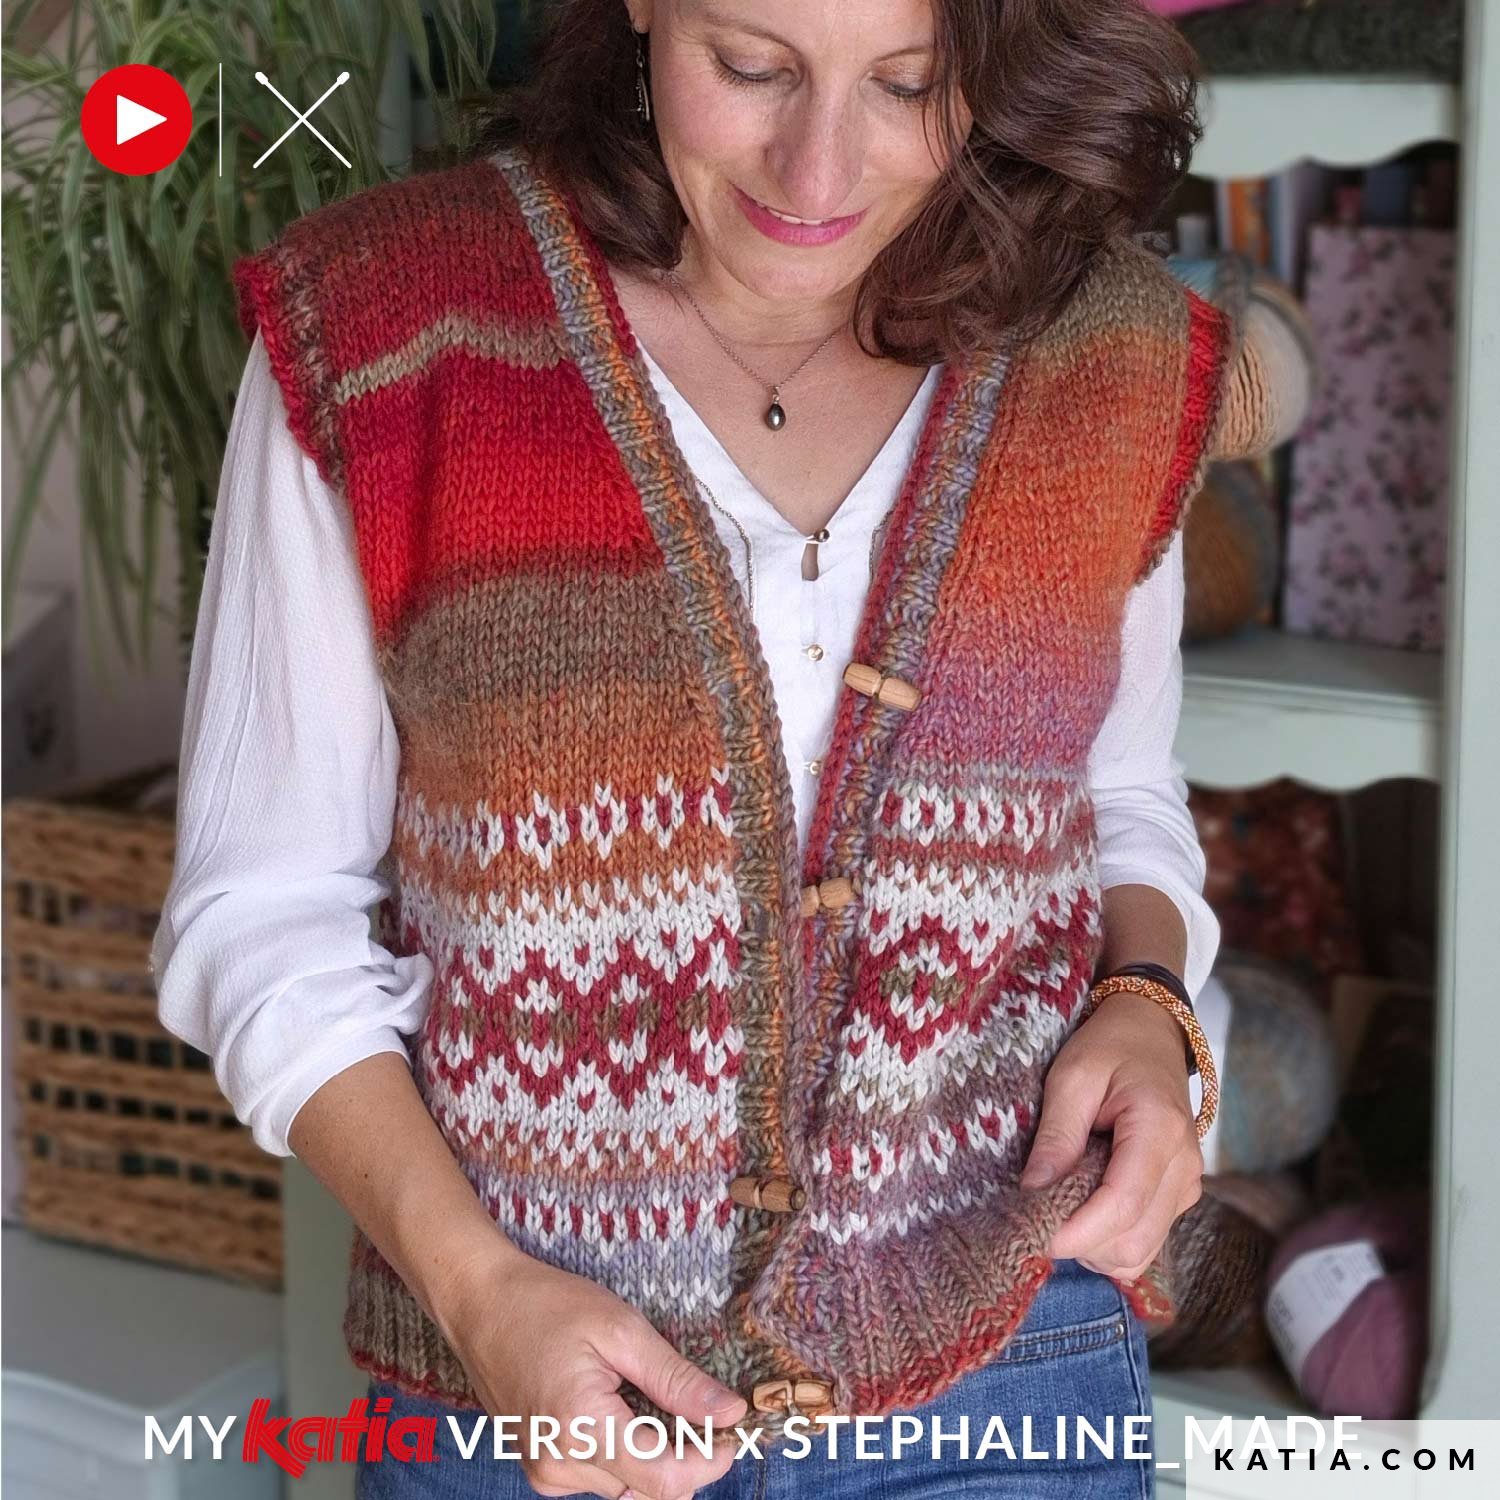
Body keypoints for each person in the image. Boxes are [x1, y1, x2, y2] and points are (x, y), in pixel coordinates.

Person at [152, 1, 1304, 1496]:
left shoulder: (1110, 351)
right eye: (751, 67)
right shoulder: (385, 333)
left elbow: (1117, 798)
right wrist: (483, 1294)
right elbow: (260, 914)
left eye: (911, 85)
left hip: (1014, 1372)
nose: (818, 167)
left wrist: (1150, 1006)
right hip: (517, 1396)